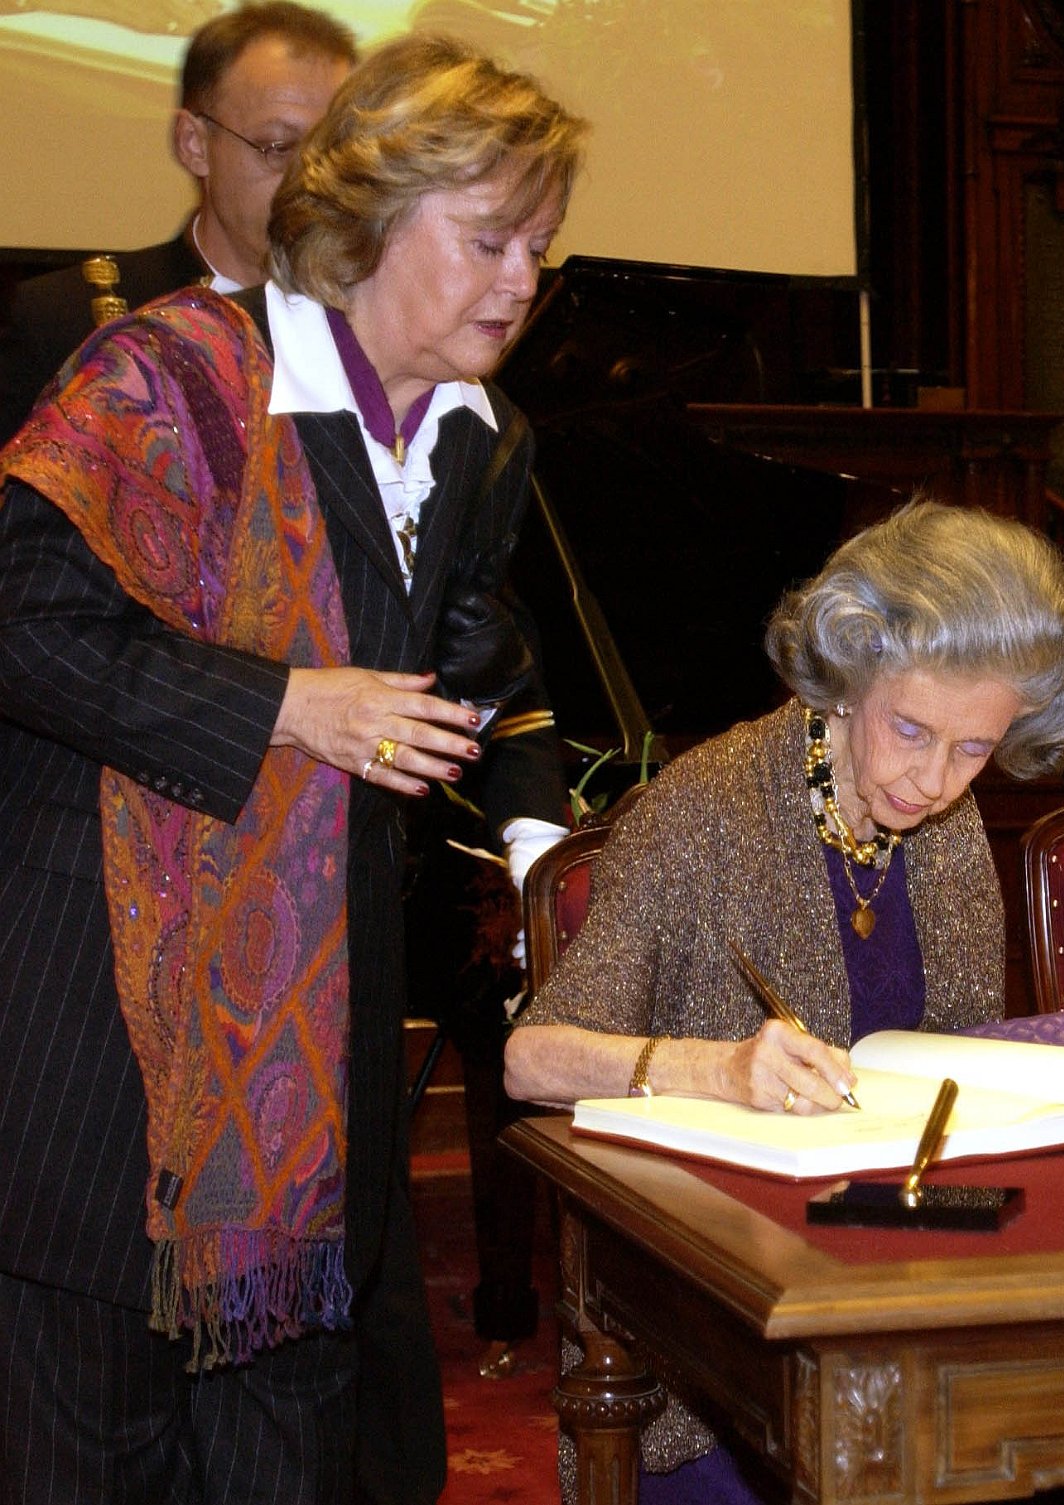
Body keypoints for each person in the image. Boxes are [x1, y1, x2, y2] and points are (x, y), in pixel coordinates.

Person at [0, 33, 585, 1504]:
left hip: (313, 1051)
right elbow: (16, 613)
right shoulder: (176, 370)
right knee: (92, 1450)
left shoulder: (478, 439)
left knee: (292, 1450)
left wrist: (544, 852)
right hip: (101, 1015)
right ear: (372, 213)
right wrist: (279, 706)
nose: (522, 280)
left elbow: (476, 667)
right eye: (490, 238)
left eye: (543, 247)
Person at [505, 499, 1064, 1504]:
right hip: (720, 1328)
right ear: (849, 671)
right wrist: (720, 1067)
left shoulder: (946, 828)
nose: (931, 780)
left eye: (971, 749)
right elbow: (533, 1057)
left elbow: (947, 1058)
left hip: (908, 1279)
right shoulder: (702, 809)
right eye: (909, 729)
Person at [0, 2, 357, 440]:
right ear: (194, 144)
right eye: (279, 148)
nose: (313, 181)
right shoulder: (69, 321)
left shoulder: (371, 326)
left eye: (336, 152)